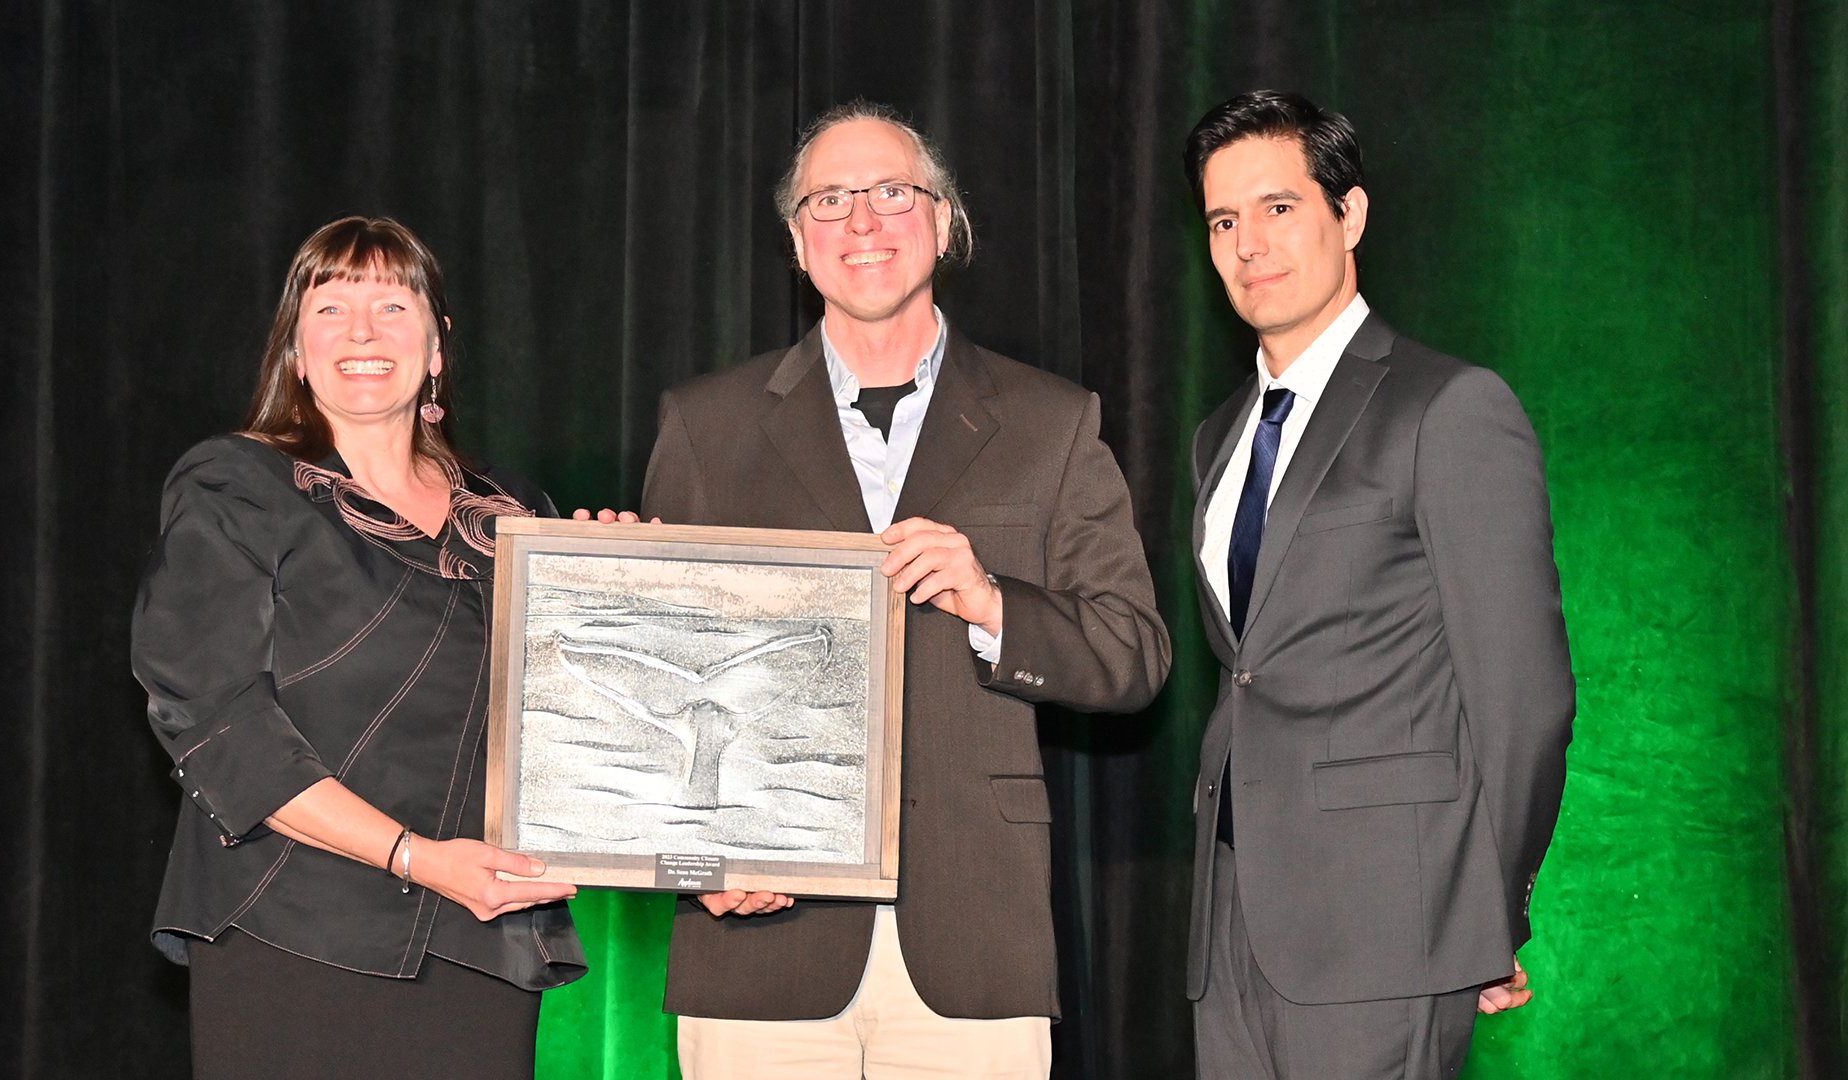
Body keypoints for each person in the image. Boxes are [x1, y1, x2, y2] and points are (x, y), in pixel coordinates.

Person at [639, 101, 1171, 1079]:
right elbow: (657, 695)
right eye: (830, 201)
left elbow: (1133, 656)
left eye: (892, 192)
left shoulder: (1051, 422)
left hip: (975, 945)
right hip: (761, 949)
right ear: (799, 242)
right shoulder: (706, 425)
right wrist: (697, 869)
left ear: (943, 221)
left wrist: (992, 601)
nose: (863, 222)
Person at [1179, 90, 1575, 1078]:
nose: (1248, 244)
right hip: (1229, 922)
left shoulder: (1449, 407)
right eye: (1224, 221)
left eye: (1278, 208)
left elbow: (1524, 699)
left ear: (1348, 216)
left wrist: (1490, 910)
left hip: (1387, 924)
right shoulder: (1215, 438)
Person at [132, 216, 585, 1079]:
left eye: (393, 305)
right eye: (331, 308)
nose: (364, 333)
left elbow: (584, 715)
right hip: (292, 924)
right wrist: (413, 858)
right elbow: (216, 720)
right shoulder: (238, 483)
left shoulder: (520, 515)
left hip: (477, 938)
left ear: (438, 345)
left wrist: (624, 575)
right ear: (296, 351)